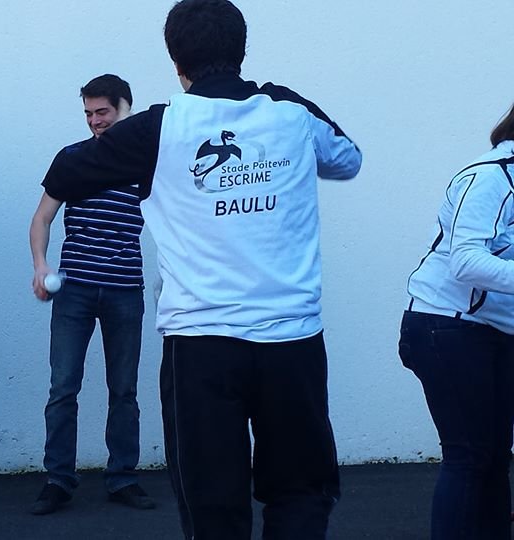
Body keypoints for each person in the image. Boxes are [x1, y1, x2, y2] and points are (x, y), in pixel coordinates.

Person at [39, 1, 362, 538]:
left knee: (212, 504)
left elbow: (66, 171)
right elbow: (348, 159)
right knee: (302, 492)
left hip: (201, 347)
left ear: (176, 62)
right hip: (292, 342)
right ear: (242, 50)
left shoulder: (159, 127)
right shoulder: (290, 111)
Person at [28, 74, 153, 515]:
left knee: (124, 390)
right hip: (75, 290)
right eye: (88, 113)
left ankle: (123, 478)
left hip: (126, 290)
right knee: (63, 388)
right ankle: (58, 480)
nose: (95, 121)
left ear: (125, 108)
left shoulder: (145, 162)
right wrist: (41, 265)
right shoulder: (72, 159)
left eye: (103, 112)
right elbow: (42, 218)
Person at [399, 103, 514, 540]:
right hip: (445, 327)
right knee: (468, 456)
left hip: (493, 331)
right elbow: (466, 261)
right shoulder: (489, 177)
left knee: (495, 457)